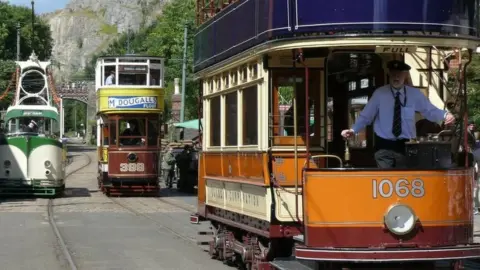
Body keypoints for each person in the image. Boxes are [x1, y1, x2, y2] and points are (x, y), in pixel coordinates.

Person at [341, 60, 455, 168]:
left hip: (406, 146)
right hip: (383, 147)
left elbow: (429, 110)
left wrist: (445, 115)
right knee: (386, 180)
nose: (396, 77)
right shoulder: (380, 94)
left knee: (404, 180)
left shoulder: (414, 94)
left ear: (405, 76)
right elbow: (366, 116)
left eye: (399, 74)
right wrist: (353, 130)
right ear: (389, 75)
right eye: (393, 74)